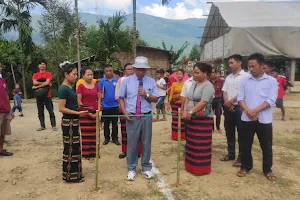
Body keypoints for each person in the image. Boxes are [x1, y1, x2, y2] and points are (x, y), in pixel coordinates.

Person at [237, 53, 277, 181]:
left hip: (264, 120)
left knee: (266, 146)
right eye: (249, 66)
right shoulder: (244, 80)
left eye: (253, 66)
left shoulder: (271, 81)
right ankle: (246, 166)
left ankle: (267, 169)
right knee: (245, 144)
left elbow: (271, 99)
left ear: (261, 65)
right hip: (246, 118)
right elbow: (240, 98)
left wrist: (255, 110)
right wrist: (248, 111)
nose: (251, 69)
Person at [118, 56, 159, 181]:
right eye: (138, 69)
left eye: (143, 69)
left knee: (146, 142)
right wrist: (124, 112)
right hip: (131, 116)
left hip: (146, 116)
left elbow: (156, 98)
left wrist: (146, 95)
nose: (140, 72)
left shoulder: (151, 81)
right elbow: (120, 97)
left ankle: (146, 167)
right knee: (132, 144)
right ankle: (131, 168)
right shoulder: (126, 81)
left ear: (146, 70)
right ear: (134, 68)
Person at [58, 63, 88, 183]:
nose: (76, 76)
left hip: (74, 120)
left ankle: (77, 174)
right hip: (68, 121)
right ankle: (70, 176)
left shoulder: (71, 87)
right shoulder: (63, 89)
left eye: (76, 74)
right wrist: (77, 113)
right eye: (74, 74)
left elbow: (74, 104)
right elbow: (61, 108)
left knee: (75, 147)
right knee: (70, 148)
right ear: (66, 74)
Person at [183, 63, 215, 175]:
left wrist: (191, 112)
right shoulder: (194, 84)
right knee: (191, 143)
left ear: (205, 73)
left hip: (203, 121)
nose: (194, 75)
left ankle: (200, 169)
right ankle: (190, 166)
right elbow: (187, 98)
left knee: (200, 145)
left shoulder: (208, 86)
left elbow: (203, 103)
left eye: (197, 73)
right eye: (194, 72)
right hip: (191, 119)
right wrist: (184, 110)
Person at [221, 54, 249, 167]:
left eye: (232, 63)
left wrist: (230, 101)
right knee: (229, 132)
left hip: (240, 108)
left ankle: (241, 158)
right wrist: (227, 103)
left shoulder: (246, 76)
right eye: (229, 63)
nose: (230, 65)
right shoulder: (229, 77)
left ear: (239, 63)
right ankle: (231, 153)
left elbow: (244, 92)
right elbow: (224, 91)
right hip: (228, 108)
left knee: (242, 133)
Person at [115, 63, 142, 159]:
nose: (130, 71)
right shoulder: (121, 80)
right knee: (125, 131)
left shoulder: (139, 80)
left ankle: (137, 151)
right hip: (124, 109)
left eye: (132, 69)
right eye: (128, 69)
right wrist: (124, 108)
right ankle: (126, 151)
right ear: (124, 70)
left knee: (137, 131)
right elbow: (117, 96)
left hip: (137, 109)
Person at [77, 67, 101, 159]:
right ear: (83, 75)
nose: (90, 76)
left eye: (91, 74)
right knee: (86, 135)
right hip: (85, 113)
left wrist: (98, 110)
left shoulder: (96, 85)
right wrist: (88, 112)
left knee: (95, 134)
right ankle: (87, 154)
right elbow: (79, 102)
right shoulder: (80, 86)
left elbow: (99, 98)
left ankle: (95, 152)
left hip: (95, 113)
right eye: (88, 75)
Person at [32, 60, 57, 131]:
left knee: (51, 111)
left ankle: (53, 125)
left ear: (45, 66)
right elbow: (34, 82)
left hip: (47, 95)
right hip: (38, 95)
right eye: (40, 64)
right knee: (40, 111)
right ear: (38, 66)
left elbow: (47, 82)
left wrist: (37, 86)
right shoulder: (35, 74)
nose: (42, 65)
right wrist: (45, 83)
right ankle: (42, 125)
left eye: (43, 64)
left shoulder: (48, 74)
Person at [99, 65, 120, 145]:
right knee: (106, 123)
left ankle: (115, 138)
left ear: (112, 71)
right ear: (104, 72)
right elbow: (100, 93)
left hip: (115, 106)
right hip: (105, 106)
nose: (109, 72)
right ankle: (106, 138)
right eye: (107, 71)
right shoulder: (102, 81)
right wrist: (100, 104)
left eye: (110, 70)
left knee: (115, 123)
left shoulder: (117, 80)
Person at [168, 69, 185, 140]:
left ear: (183, 75)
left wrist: (180, 96)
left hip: (183, 104)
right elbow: (171, 95)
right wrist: (169, 103)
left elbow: (186, 95)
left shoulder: (185, 84)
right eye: (178, 74)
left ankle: (182, 136)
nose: (179, 75)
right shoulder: (174, 84)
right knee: (175, 120)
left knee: (182, 120)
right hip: (175, 105)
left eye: (180, 74)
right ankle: (175, 136)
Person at [0, 66, 13, 156]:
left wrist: (9, 108)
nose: (0, 68)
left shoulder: (3, 80)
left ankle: (1, 149)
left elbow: (6, 95)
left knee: (3, 131)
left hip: (5, 109)